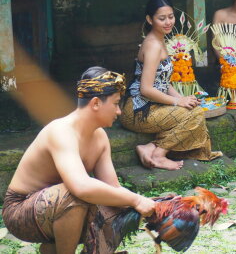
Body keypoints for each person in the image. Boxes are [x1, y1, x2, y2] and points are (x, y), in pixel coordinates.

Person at [2, 66, 156, 254]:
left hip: (55, 209)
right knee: (74, 194)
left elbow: (113, 189)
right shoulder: (61, 131)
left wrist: (156, 205)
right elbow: (80, 187)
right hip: (20, 210)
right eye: (116, 104)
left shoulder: (100, 138)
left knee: (116, 204)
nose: (119, 112)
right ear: (96, 103)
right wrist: (136, 199)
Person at [120, 0, 222, 171]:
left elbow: (164, 83)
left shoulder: (161, 40)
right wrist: (177, 102)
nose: (168, 22)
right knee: (195, 115)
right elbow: (146, 89)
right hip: (138, 111)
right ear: (149, 19)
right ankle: (158, 155)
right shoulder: (152, 45)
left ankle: (149, 147)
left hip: (154, 106)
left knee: (193, 110)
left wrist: (183, 99)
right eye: (161, 18)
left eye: (171, 16)